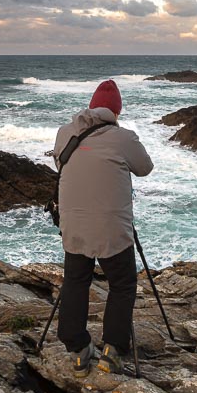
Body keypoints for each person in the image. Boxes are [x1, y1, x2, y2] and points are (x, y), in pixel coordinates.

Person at [53, 79, 153, 376]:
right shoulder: (123, 138)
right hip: (112, 228)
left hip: (74, 225)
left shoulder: (64, 133)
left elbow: (61, 163)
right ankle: (113, 351)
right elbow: (145, 168)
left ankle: (78, 350)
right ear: (116, 111)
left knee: (75, 281)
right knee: (122, 285)